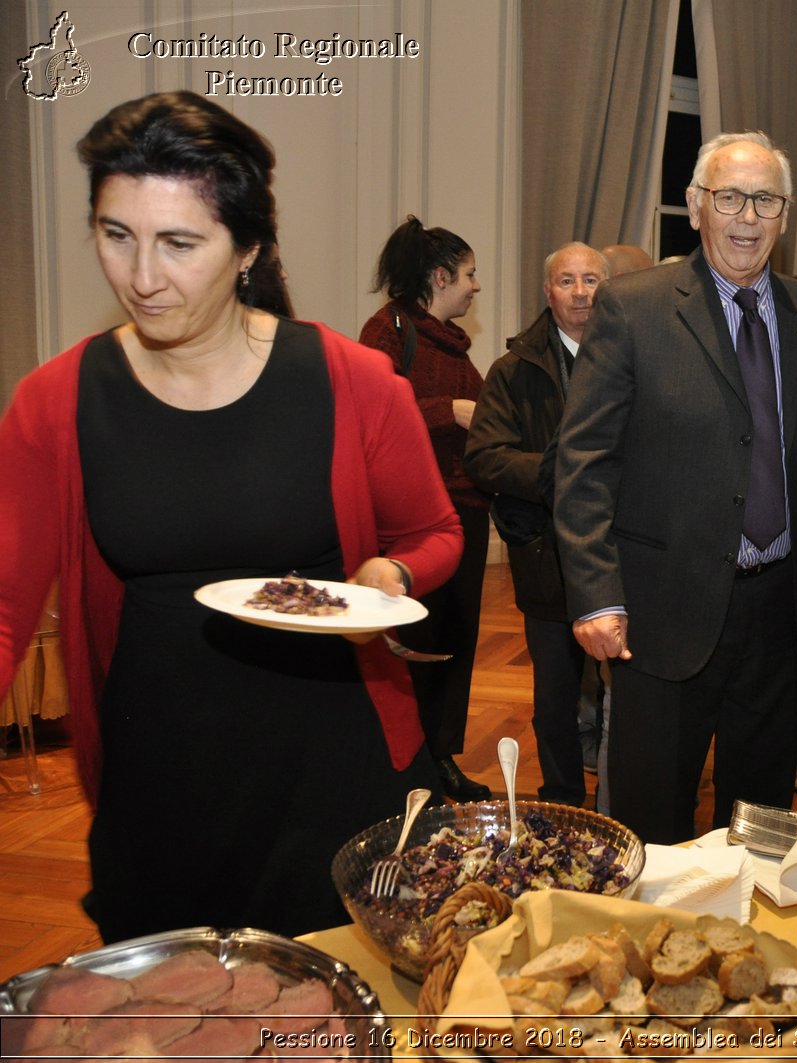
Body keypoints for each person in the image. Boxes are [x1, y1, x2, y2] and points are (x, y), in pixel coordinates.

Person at [0, 91, 462, 941]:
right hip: (159, 782)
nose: (142, 277)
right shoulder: (56, 402)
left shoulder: (352, 381)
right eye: (116, 235)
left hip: (332, 770)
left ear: (249, 247)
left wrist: (389, 574)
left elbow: (436, 533)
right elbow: (2, 613)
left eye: (179, 244)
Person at [554, 131, 797, 843]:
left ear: (786, 212)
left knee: (760, 823)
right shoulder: (634, 308)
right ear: (695, 205)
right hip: (661, 612)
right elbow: (584, 459)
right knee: (648, 819)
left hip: (781, 615)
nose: (747, 217)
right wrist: (596, 591)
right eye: (729, 198)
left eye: (766, 200)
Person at [464, 242, 610, 808]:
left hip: (624, 555)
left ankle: (621, 806)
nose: (580, 292)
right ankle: (562, 805)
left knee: (630, 697)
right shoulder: (512, 371)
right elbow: (485, 456)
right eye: (567, 281)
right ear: (547, 293)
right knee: (555, 700)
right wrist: (558, 473)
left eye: (591, 280)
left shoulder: (633, 356)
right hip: (546, 558)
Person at [359, 217, 492, 801]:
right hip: (412, 524)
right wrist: (451, 410)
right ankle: (405, 768)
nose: (476, 286)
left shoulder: (456, 347)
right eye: (468, 274)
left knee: (455, 644)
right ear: (440, 277)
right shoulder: (385, 330)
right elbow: (371, 407)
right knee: (411, 645)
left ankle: (441, 759)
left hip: (466, 511)